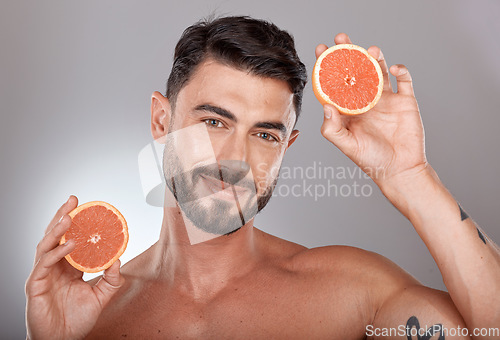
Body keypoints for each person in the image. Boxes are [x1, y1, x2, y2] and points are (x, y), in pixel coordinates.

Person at [25, 16, 500, 339]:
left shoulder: (351, 294)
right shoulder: (93, 314)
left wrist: (411, 176)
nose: (236, 158)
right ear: (160, 122)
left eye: (266, 135)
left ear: (286, 147)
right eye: (214, 122)